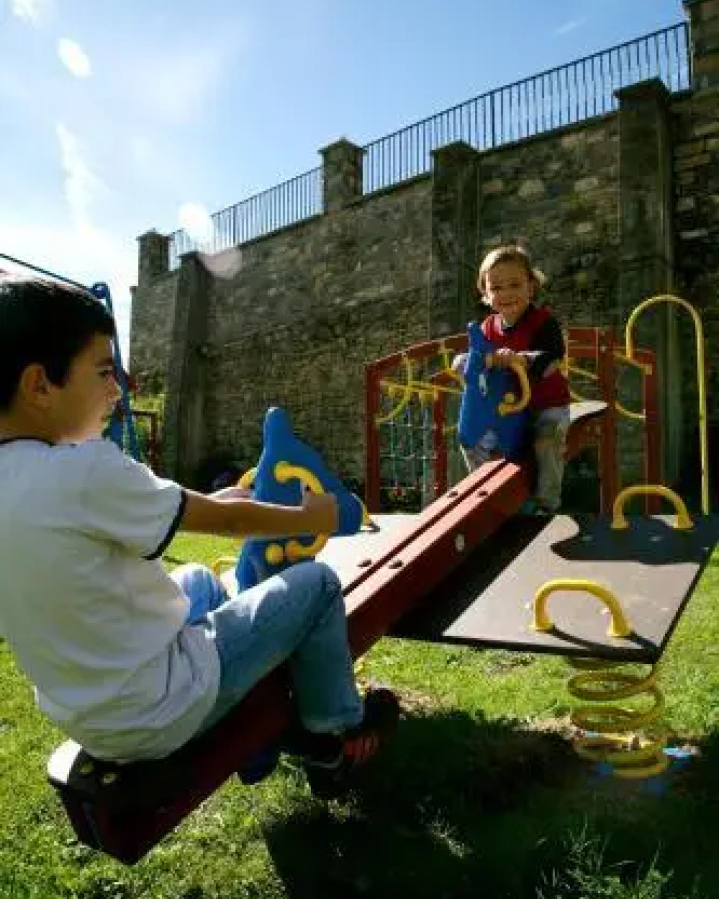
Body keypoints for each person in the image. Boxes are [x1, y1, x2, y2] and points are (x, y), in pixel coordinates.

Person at [0, 276, 399, 799]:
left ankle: (259, 733)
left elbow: (195, 509)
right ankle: (331, 736)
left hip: (90, 713)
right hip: (161, 706)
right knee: (318, 584)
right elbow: (230, 525)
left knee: (198, 583)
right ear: (40, 386)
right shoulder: (84, 469)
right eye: (102, 371)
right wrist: (312, 516)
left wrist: (225, 502)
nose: (116, 389)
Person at [453, 244, 570, 513]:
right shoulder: (487, 327)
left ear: (531, 287)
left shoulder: (543, 322)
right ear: (485, 294)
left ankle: (547, 502)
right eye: (496, 288)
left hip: (544, 405)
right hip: (508, 407)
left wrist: (522, 358)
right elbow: (477, 353)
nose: (506, 293)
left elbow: (552, 358)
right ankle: (485, 488)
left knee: (547, 437)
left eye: (515, 284)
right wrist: (463, 360)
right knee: (472, 437)